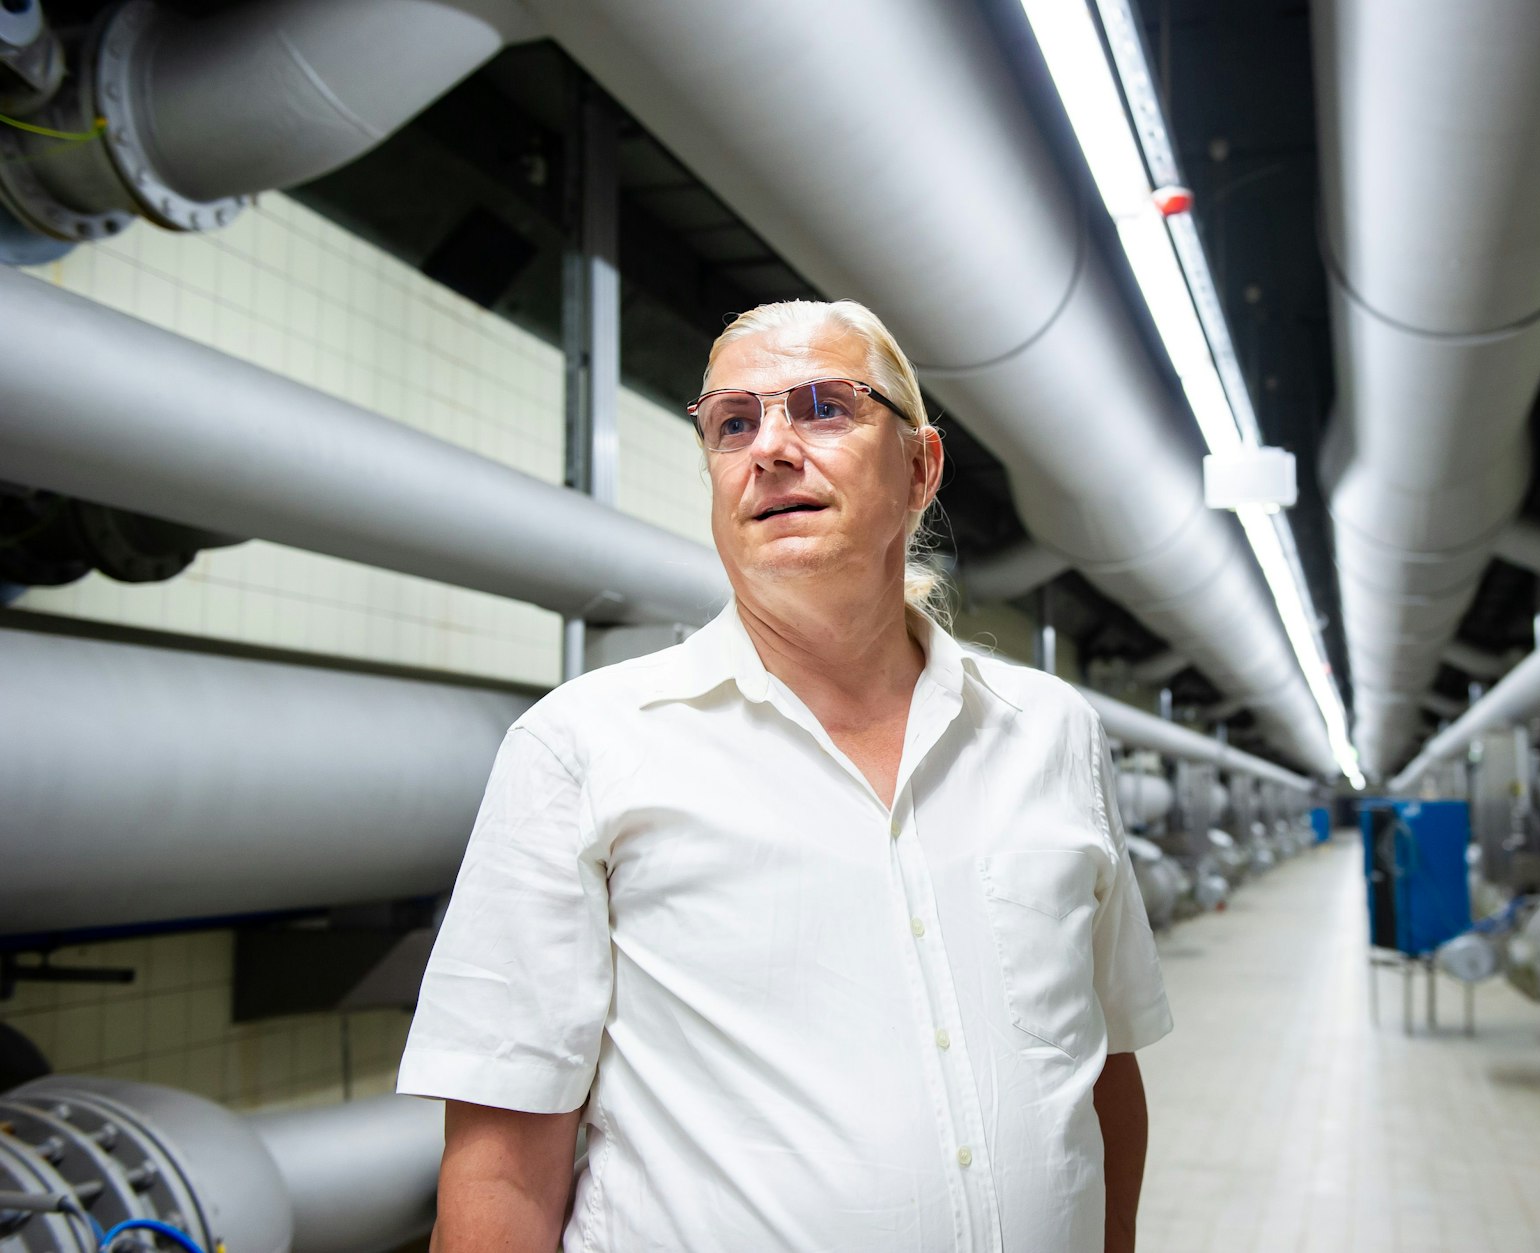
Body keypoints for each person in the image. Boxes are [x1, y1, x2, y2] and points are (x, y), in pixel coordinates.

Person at [398, 299, 1172, 1252]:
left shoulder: (1052, 734)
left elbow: (1103, 1072)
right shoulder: (581, 749)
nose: (768, 447)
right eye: (733, 422)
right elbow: (502, 1173)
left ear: (921, 467)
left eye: (822, 408)